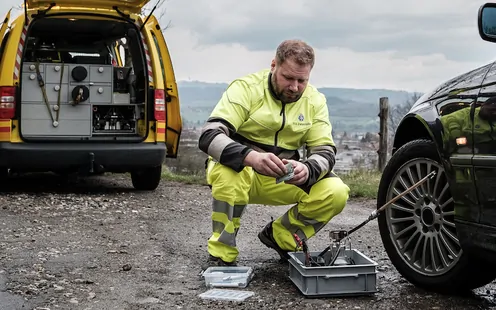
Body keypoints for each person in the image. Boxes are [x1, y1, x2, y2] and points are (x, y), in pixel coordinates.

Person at [198, 39, 350, 267]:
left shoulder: (315, 101)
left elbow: (325, 151)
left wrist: (308, 169)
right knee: (227, 174)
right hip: (243, 171)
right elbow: (209, 135)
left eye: (302, 80)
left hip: (283, 178)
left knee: (336, 192)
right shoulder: (246, 88)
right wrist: (251, 157)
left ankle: (281, 237)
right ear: (273, 65)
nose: (295, 87)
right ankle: (222, 253)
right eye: (288, 78)